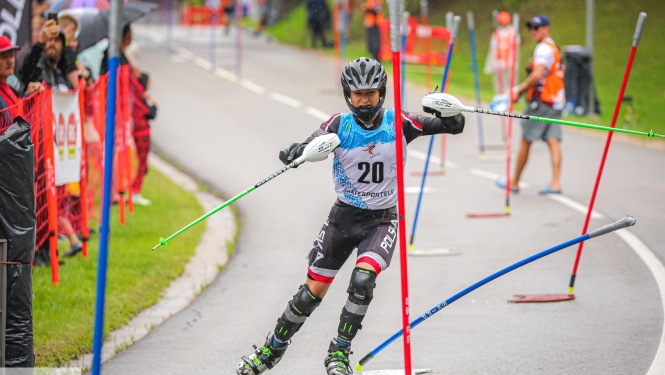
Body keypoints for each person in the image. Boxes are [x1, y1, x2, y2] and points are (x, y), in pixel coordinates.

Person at [235, 57, 465, 375]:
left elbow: (453, 127)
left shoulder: (399, 121)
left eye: (371, 92)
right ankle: (271, 350)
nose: (365, 99)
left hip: (381, 220)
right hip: (342, 219)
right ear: (347, 95)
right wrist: (294, 152)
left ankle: (338, 353)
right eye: (358, 93)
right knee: (309, 295)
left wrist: (448, 113)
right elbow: (308, 145)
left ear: (382, 92)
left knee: (363, 279)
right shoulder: (338, 125)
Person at [497, 14, 565, 194]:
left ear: (546, 28)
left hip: (542, 101)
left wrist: (518, 90)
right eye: (531, 28)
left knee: (526, 140)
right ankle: (555, 183)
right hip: (556, 101)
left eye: (537, 28)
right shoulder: (553, 47)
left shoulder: (543, 49)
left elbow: (537, 74)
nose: (533, 31)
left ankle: (514, 182)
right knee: (553, 139)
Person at [18, 19, 77, 91]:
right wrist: (40, 44)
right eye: (49, 39)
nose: (52, 43)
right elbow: (25, 75)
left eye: (57, 40)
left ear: (62, 45)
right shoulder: (37, 67)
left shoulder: (64, 69)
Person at [0, 36, 41, 123]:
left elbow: (20, 114)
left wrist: (28, 96)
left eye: (11, 56)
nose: (10, 61)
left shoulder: (11, 88)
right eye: (4, 57)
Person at [484, 11, 515, 96]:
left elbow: (515, 48)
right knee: (498, 85)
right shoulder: (496, 32)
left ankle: (506, 100)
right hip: (498, 62)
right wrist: (490, 63)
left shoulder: (512, 32)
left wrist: (512, 62)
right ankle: (498, 99)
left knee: (507, 84)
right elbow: (493, 49)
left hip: (508, 62)